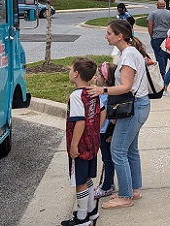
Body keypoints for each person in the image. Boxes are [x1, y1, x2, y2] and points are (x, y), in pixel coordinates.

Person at [86, 20, 151, 209]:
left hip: (134, 108)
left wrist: (101, 90)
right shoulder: (129, 53)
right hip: (138, 106)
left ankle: (125, 196)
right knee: (131, 150)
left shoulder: (129, 56)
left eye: (108, 33)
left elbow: (126, 87)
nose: (106, 36)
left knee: (118, 151)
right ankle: (133, 189)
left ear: (119, 36)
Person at [61, 57, 101, 226]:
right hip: (92, 142)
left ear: (76, 74)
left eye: (71, 69)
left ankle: (82, 218)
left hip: (81, 146)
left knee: (80, 181)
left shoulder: (76, 96)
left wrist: (73, 145)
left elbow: (80, 121)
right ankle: (91, 210)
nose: (69, 72)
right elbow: (102, 112)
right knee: (87, 178)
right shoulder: (93, 92)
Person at [93, 61, 118, 199]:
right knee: (107, 159)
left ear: (106, 78)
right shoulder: (104, 92)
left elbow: (111, 116)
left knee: (108, 159)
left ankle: (107, 187)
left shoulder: (108, 95)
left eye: (99, 75)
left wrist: (109, 133)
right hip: (103, 130)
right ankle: (109, 183)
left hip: (105, 131)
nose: (97, 77)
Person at [147, 0, 170, 78]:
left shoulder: (153, 14)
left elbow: (150, 26)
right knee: (165, 55)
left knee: (159, 55)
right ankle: (163, 71)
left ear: (157, 5)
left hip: (156, 37)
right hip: (167, 37)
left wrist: (152, 35)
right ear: (164, 5)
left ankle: (162, 72)